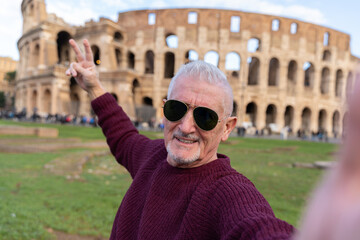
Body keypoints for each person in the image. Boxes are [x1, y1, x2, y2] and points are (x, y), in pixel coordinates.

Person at [66, 39, 360, 240]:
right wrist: (94, 87)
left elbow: (254, 226)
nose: (186, 126)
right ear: (164, 109)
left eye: (205, 117)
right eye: (176, 109)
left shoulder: (228, 191)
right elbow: (122, 135)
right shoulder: (151, 155)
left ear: (228, 127)